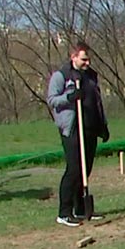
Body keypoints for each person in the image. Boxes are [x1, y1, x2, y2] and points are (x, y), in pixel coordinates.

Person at [46, 41, 109, 227]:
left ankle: (81, 209)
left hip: (90, 127)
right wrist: (70, 98)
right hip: (72, 129)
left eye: (88, 59)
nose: (87, 63)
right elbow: (52, 100)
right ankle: (64, 212)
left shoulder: (91, 76)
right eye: (83, 59)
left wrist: (103, 126)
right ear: (73, 57)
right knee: (74, 170)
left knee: (85, 170)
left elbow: (97, 102)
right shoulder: (62, 76)